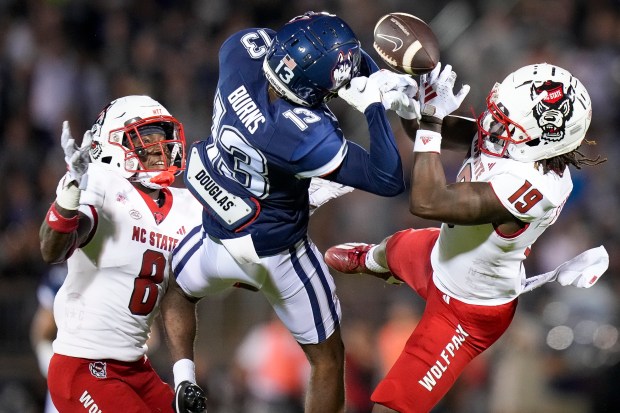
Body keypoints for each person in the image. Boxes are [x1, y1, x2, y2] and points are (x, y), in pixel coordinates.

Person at [160, 11, 415, 413]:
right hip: (277, 253)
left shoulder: (237, 54)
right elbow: (388, 178)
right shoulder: (300, 136)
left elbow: (284, 44)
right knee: (328, 360)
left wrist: (358, 66)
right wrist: (374, 104)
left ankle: (183, 379)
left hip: (218, 229)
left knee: (176, 290)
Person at [324, 62, 609, 413]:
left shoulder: (535, 187)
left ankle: (384, 265)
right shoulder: (520, 142)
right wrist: (415, 104)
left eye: (506, 121)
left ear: (542, 137)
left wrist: (431, 121)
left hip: (468, 308)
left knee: (391, 407)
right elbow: (424, 134)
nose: (491, 122)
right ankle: (376, 262)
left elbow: (428, 201)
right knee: (390, 249)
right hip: (442, 252)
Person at [39, 95, 207, 413]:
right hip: (82, 366)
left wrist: (185, 376)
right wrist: (71, 191)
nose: (161, 148)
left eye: (163, 137)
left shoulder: (187, 206)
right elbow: (52, 248)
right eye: (147, 139)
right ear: (113, 144)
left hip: (135, 369)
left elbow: (178, 294)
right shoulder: (100, 183)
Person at [30, 263, 67, 413]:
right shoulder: (61, 276)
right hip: (70, 366)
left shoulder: (125, 270)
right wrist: (54, 366)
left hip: (111, 368)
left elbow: (147, 332)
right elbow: (41, 333)